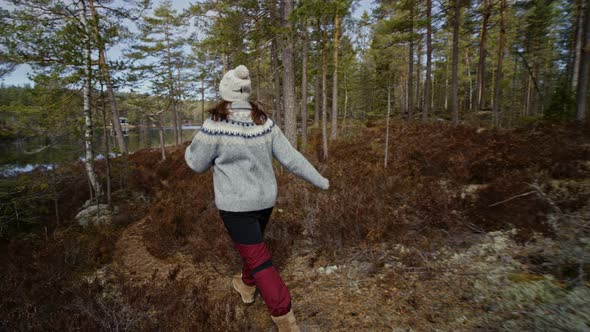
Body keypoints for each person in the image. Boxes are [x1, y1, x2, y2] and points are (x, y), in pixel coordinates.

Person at [184, 65, 329, 332]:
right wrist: (320, 180)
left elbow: (195, 163)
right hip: (265, 203)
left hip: (236, 206)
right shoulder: (264, 122)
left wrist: (193, 149)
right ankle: (246, 286)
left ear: (225, 92)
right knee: (253, 249)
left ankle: (285, 317)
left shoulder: (214, 126)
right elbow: (291, 158)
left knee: (260, 259)